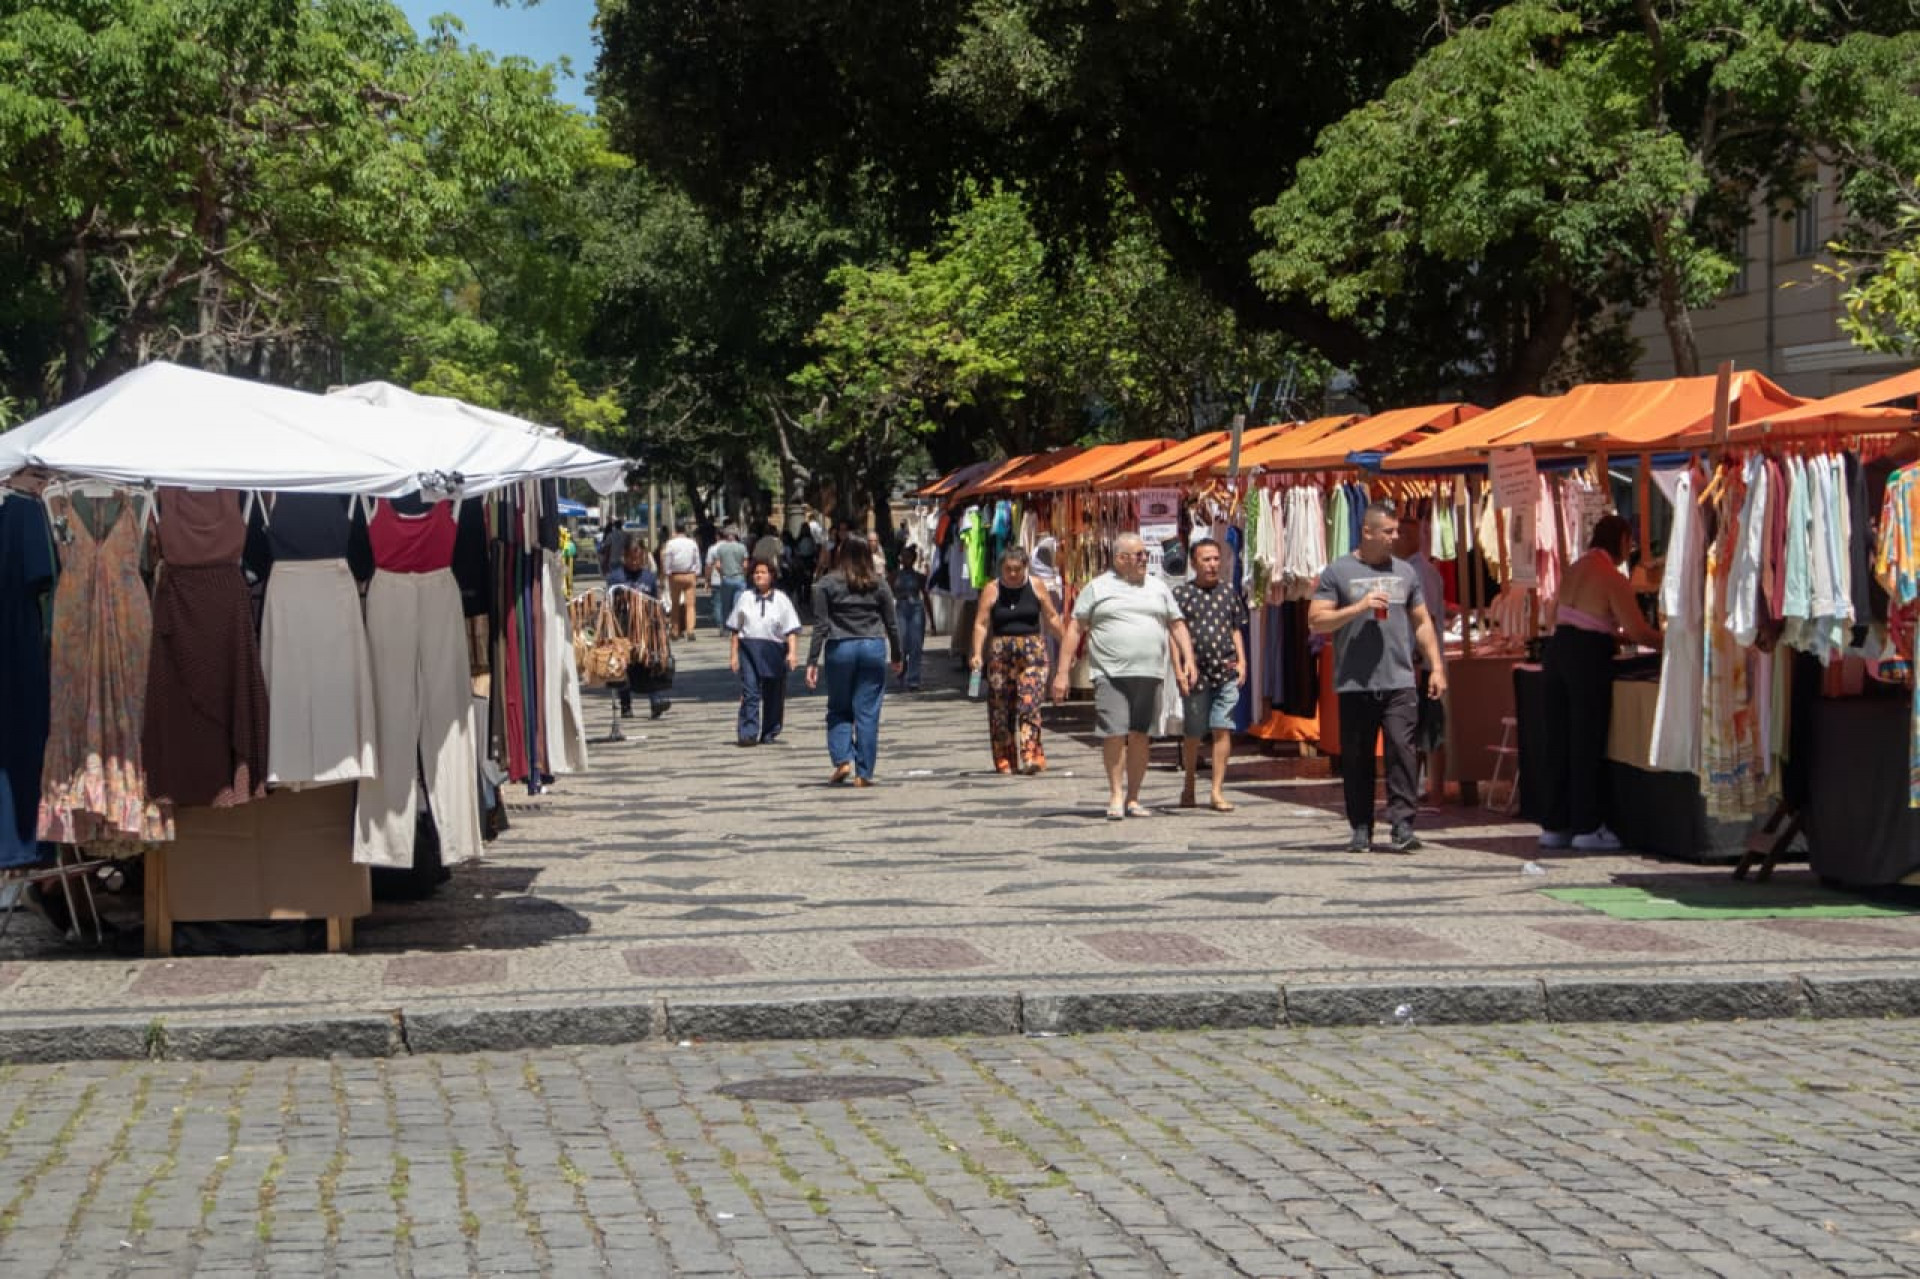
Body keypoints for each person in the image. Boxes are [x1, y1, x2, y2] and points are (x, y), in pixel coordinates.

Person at [1308, 501, 1447, 854]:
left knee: (1403, 750)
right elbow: (1316, 620)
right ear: (1367, 532)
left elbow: (1421, 621)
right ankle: (1360, 827)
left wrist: (1436, 666)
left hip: (1399, 679)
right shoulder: (1337, 572)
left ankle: (1402, 825)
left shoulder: (1406, 573)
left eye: (1396, 531)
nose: (1394, 537)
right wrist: (1358, 607)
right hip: (1355, 682)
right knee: (1357, 757)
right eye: (1388, 531)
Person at [1539, 514, 1664, 852]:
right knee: (1585, 739)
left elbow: (1564, 616)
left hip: (1557, 651)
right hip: (1585, 659)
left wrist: (1611, 635)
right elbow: (1638, 631)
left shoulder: (1575, 568)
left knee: (1558, 740)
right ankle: (1587, 825)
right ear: (1623, 541)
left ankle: (1554, 824)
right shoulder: (1612, 577)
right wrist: (1670, 644)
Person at [1050, 532, 1195, 819]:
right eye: (1138, 555)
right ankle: (1116, 793)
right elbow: (1075, 629)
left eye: (1144, 554)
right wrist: (1062, 673)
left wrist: (1188, 658)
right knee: (1114, 731)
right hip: (1110, 673)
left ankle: (1134, 797)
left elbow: (1176, 624)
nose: (1145, 559)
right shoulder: (1097, 588)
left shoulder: (1158, 587)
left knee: (1141, 734)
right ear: (1120, 559)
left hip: (1150, 672)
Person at [806, 535, 903, 787]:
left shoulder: (826, 584)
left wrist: (811, 661)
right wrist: (897, 655)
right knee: (867, 712)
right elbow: (892, 623)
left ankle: (842, 758)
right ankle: (864, 772)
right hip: (872, 646)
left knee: (839, 707)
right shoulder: (879, 583)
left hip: (840, 646)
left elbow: (821, 625)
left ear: (841, 553)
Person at [971, 548, 1065, 774]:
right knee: (1001, 709)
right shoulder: (992, 589)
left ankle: (1032, 755)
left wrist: (1066, 645)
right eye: (1008, 569)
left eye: (1017, 569)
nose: (1012, 574)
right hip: (1001, 653)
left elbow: (1051, 616)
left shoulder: (1036, 585)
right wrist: (976, 653)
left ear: (1025, 567)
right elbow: (981, 623)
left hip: (1032, 651)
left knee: (1029, 703)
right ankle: (1005, 759)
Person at [1174, 538, 1249, 811]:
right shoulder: (1182, 595)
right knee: (1193, 732)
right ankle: (1190, 785)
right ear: (1194, 563)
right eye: (1206, 559)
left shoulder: (1228, 592)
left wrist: (1242, 660)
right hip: (1196, 674)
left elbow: (1235, 627)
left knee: (1222, 727)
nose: (1212, 565)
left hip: (1225, 670)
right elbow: (1174, 634)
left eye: (1216, 559)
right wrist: (1179, 669)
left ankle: (1217, 790)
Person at [1392, 515, 1450, 805]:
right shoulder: (1408, 571)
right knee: (1415, 728)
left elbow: (1425, 619)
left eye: (1397, 534)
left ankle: (1436, 790)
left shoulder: (1420, 573)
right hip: (1415, 662)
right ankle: (1415, 786)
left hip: (1424, 664)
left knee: (1431, 728)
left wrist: (1418, 659)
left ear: (1409, 538)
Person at [727, 558, 801, 746]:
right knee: (750, 691)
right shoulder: (745, 597)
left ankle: (770, 731)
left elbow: (791, 630)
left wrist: (792, 653)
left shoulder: (782, 600)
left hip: (774, 650)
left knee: (773, 693)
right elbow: (735, 629)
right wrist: (734, 655)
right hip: (749, 649)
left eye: (763, 572)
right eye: (756, 573)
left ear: (772, 576)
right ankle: (748, 733)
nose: (759, 576)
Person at [604, 539, 670, 719]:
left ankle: (656, 701)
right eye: (631, 560)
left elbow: (656, 601)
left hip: (645, 627)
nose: (635, 563)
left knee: (649, 664)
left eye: (638, 560)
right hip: (623, 627)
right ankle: (625, 705)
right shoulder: (616, 577)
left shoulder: (648, 577)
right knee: (624, 666)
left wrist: (660, 626)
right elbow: (608, 602)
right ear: (624, 557)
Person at [892, 545, 933, 691]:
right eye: (903, 556)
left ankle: (914, 679)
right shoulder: (894, 575)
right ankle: (901, 673)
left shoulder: (919, 577)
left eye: (908, 557)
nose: (905, 559)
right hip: (900, 609)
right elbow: (885, 598)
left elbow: (926, 597)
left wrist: (932, 621)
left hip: (916, 608)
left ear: (914, 559)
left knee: (916, 645)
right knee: (901, 644)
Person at [657, 523, 702, 641]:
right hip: (689, 575)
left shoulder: (670, 544)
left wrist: (667, 573)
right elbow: (697, 559)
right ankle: (690, 630)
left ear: (675, 531)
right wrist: (697, 573)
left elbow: (667, 560)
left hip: (675, 575)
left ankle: (675, 630)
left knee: (675, 604)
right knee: (690, 605)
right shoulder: (692, 543)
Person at [706, 526, 749, 637]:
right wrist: (744, 574)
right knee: (738, 603)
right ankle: (738, 627)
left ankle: (725, 628)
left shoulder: (721, 549)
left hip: (726, 579)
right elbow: (745, 565)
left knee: (725, 605)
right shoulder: (742, 547)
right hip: (739, 578)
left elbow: (718, 565)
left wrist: (722, 574)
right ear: (735, 535)